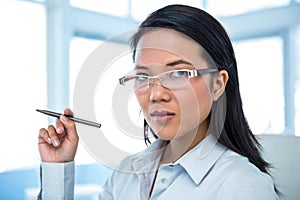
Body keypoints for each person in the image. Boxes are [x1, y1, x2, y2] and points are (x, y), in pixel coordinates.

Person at [37, 4, 278, 199]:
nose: (156, 94)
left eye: (179, 73)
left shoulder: (244, 187)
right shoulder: (126, 173)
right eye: (143, 76)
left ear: (217, 84)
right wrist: (58, 168)